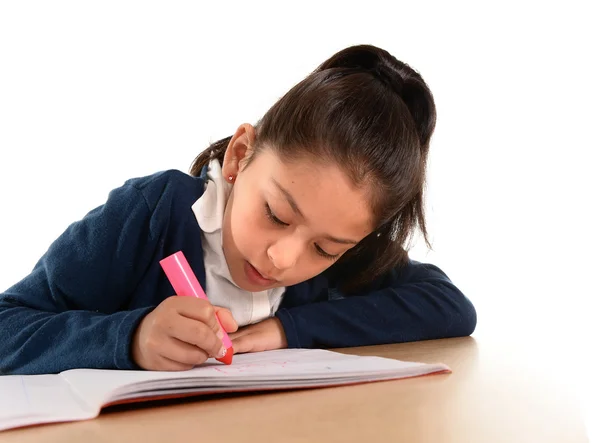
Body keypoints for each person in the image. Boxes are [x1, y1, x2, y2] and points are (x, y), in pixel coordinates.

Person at [0, 44, 476, 375]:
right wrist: (132, 337)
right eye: (277, 215)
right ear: (240, 154)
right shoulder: (152, 214)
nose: (285, 260)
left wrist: (288, 329)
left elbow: (450, 307)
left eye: (325, 248)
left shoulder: (341, 252)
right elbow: (8, 326)